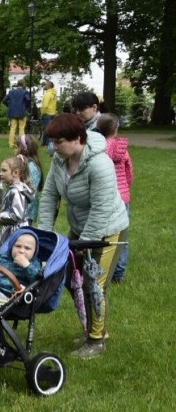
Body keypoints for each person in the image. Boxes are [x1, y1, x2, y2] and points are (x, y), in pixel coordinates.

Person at [38, 113, 129, 359]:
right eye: (53, 142)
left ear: (77, 138)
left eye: (59, 142)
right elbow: (49, 197)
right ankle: (91, 327)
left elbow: (101, 209)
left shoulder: (100, 164)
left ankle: (97, 340)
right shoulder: (59, 159)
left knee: (93, 283)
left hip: (108, 228)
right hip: (80, 227)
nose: (54, 147)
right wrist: (44, 236)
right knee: (70, 278)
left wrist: (84, 243)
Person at [99, 113, 133, 283]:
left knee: (104, 234)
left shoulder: (99, 148)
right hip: (122, 195)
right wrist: (127, 186)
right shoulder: (122, 149)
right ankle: (119, 273)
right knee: (122, 236)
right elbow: (129, 172)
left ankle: (102, 268)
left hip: (106, 196)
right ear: (116, 128)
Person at [0, 156, 34, 250]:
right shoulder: (14, 189)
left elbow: (16, 215)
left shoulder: (16, 191)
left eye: (4, 170)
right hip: (12, 230)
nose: (0, 173)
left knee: (8, 257)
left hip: (15, 233)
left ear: (16, 173)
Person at [15, 135, 43, 222]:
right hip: (19, 209)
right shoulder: (23, 163)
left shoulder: (32, 167)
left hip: (26, 212)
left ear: (24, 149)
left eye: (17, 146)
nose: (14, 149)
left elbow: (31, 191)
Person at [2, 81, 31, 148]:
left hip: (12, 113)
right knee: (21, 128)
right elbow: (28, 99)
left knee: (12, 128)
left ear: (17, 85)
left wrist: (9, 106)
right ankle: (21, 144)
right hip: (22, 113)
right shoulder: (25, 92)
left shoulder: (11, 92)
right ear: (23, 85)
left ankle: (11, 144)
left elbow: (4, 100)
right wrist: (25, 107)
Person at [40, 80, 57, 152]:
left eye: (46, 85)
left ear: (49, 86)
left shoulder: (48, 94)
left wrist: (42, 113)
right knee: (48, 129)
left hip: (47, 113)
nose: (44, 86)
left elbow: (45, 105)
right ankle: (44, 143)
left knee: (47, 129)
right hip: (52, 113)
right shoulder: (54, 94)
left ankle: (47, 144)